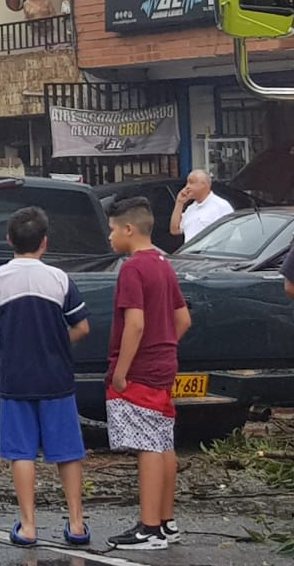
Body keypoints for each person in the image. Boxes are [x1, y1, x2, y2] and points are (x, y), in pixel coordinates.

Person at [0, 207, 91, 548]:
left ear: (9, 240)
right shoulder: (58, 278)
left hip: (16, 377)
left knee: (21, 451)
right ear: (45, 243)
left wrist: (5, 350)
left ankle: (28, 526)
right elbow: (82, 326)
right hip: (56, 376)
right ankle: (77, 523)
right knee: (67, 451)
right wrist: (57, 345)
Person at [103, 197, 191, 551]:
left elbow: (134, 323)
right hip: (164, 362)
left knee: (147, 446)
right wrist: (164, 342)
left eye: (111, 230)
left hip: (140, 368)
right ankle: (166, 521)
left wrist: (121, 371)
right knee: (163, 440)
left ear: (128, 229)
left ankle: (149, 527)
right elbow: (183, 319)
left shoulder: (133, 268)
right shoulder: (163, 263)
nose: (109, 237)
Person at [169, 170, 233, 243]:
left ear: (204, 184)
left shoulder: (221, 206)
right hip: (190, 253)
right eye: (187, 183)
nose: (187, 187)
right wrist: (179, 202)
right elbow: (175, 230)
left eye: (191, 183)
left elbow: (229, 235)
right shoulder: (191, 208)